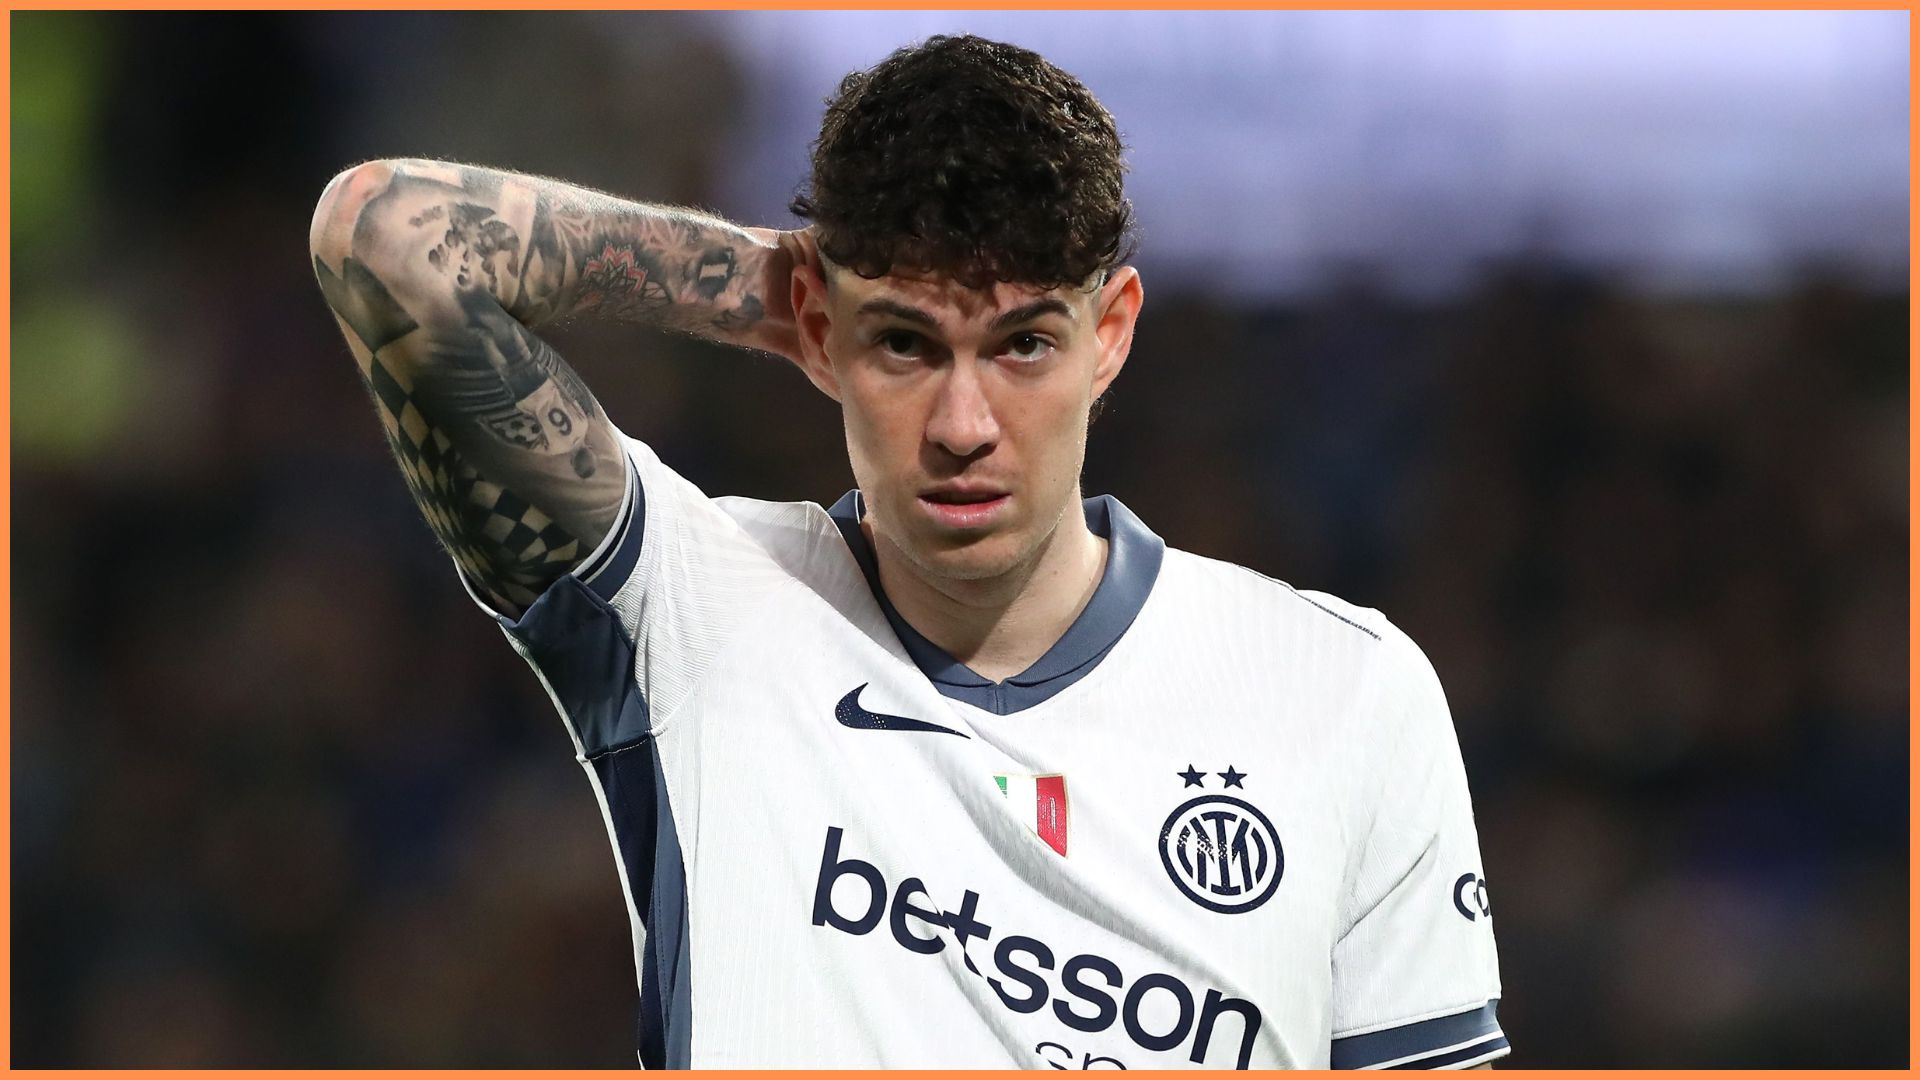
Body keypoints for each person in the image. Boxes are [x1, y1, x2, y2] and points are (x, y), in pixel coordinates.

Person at [309, 34, 1506, 1070]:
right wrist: (758, 288)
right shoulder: (690, 608)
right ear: (819, 331)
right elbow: (386, 239)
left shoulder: (1345, 693)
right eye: (904, 344)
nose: (964, 427)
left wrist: (859, 312)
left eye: (1025, 345)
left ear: (1114, 334)